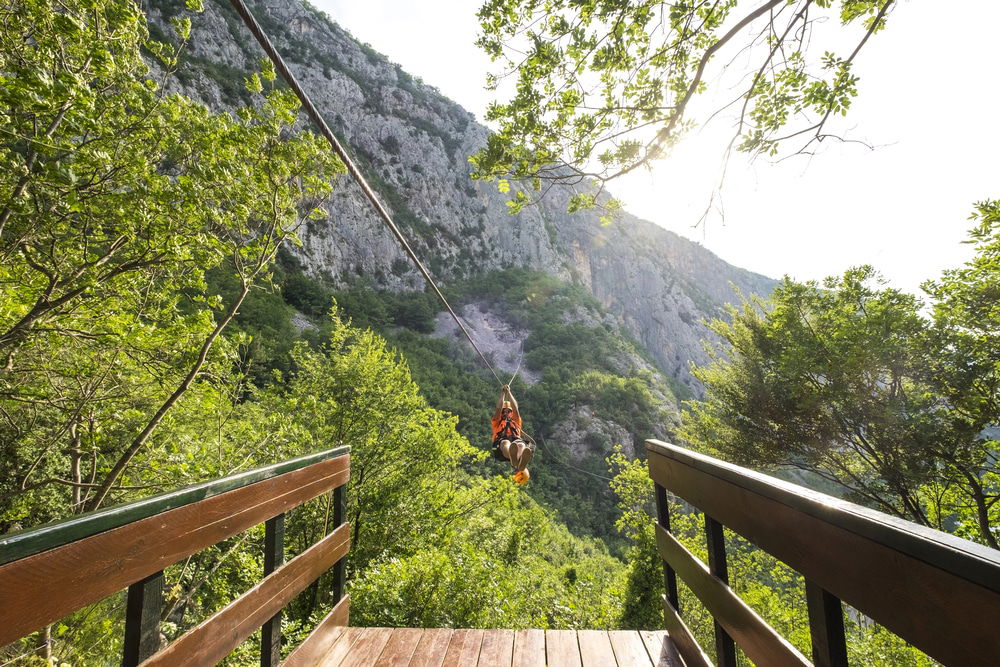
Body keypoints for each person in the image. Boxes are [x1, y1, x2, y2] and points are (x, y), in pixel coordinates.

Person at [491, 384, 534, 485]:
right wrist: (503, 393)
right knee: (506, 443)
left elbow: (515, 409)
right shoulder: (496, 421)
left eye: (508, 411)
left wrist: (509, 393)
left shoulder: (516, 421)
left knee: (521, 445)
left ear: (511, 413)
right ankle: (513, 458)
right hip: (501, 444)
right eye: (504, 411)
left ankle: (518, 461)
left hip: (515, 440)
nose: (506, 413)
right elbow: (498, 408)